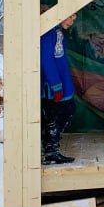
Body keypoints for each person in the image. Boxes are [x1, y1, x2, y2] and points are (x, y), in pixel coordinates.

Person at [40, 10, 78, 165]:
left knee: (66, 110)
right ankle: (50, 150)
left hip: (61, 82)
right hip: (53, 85)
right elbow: (47, 61)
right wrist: (55, 85)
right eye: (70, 17)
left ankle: (50, 147)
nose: (71, 21)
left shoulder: (57, 32)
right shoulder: (48, 33)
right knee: (56, 114)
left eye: (74, 19)